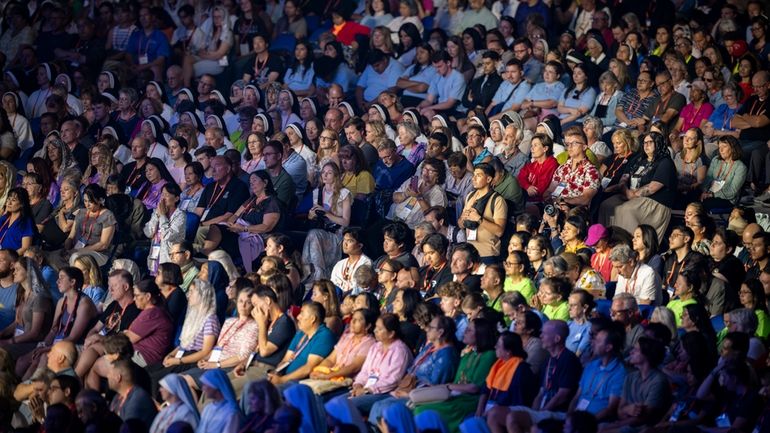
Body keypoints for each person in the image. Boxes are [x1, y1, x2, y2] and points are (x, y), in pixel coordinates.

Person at [499, 320, 582, 433]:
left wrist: (540, 413)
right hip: (542, 409)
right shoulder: (548, 360)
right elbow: (541, 392)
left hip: (558, 412)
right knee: (495, 413)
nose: (541, 336)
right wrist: (533, 411)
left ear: (557, 339)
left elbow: (562, 395)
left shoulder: (568, 360)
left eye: (544, 333)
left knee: (513, 418)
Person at [598, 132, 676, 241]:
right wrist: (626, 191)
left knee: (625, 210)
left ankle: (628, 243)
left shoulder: (665, 162)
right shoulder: (638, 159)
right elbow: (624, 179)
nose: (646, 145)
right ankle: (606, 240)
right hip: (629, 194)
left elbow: (653, 187)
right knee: (606, 205)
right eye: (644, 143)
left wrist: (634, 194)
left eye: (650, 142)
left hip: (653, 200)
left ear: (658, 144)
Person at [601, 337, 670, 432]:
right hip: (626, 424)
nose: (631, 352)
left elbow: (644, 418)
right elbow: (619, 411)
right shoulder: (631, 377)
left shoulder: (658, 381)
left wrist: (614, 426)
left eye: (636, 350)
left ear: (647, 355)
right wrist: (627, 409)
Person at [108, 359, 157, 429]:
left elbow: (129, 428)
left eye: (110, 373)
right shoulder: (118, 397)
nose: (108, 376)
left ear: (118, 378)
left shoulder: (137, 399)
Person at [198, 368, 243, 433]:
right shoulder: (208, 408)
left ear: (215, 385)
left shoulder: (232, 413)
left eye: (206, 385)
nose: (203, 388)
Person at [0, 187, 37, 255]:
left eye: (13, 200)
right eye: (8, 199)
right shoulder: (4, 218)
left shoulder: (26, 222)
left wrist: (9, 257)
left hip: (13, 258)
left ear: (22, 204)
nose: (9, 203)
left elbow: (25, 248)